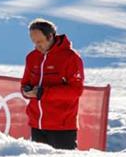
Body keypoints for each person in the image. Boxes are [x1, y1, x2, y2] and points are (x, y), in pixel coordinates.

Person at [19, 18, 84, 150]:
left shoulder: (70, 57)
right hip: (37, 124)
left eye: (40, 42)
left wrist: (44, 92)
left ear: (50, 36)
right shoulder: (31, 57)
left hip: (62, 126)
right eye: (34, 42)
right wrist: (26, 91)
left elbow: (76, 91)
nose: (37, 46)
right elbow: (25, 83)